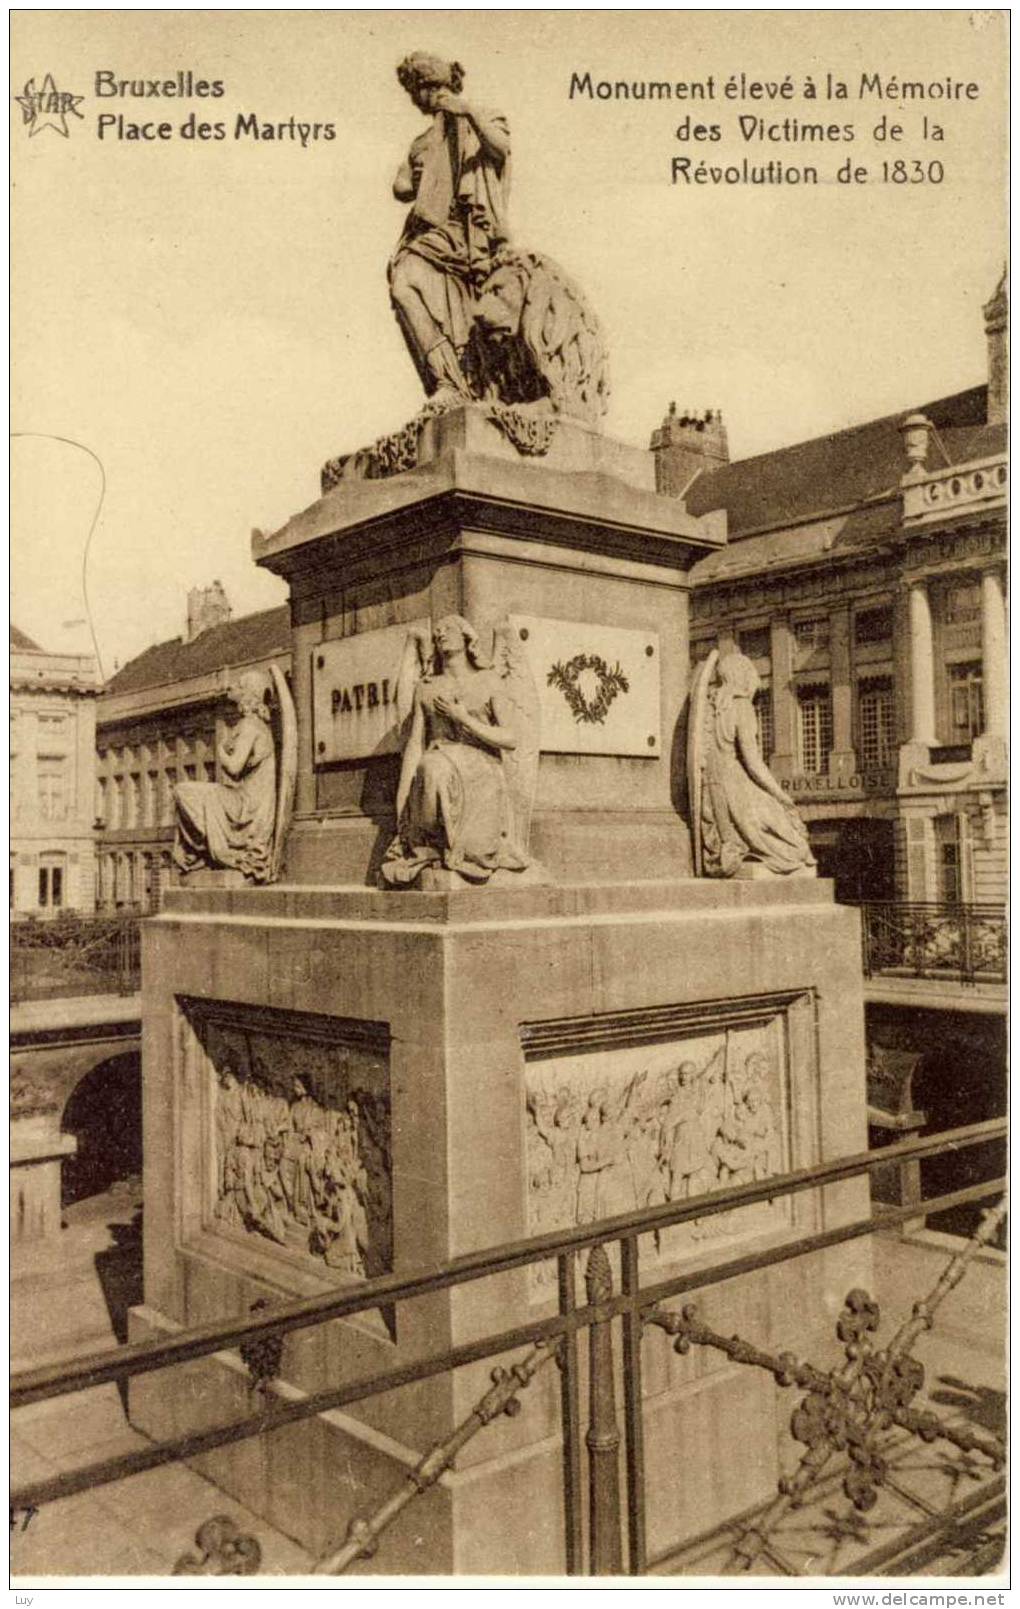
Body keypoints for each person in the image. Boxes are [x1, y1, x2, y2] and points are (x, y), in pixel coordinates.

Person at [389, 52, 511, 402]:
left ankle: (453, 381)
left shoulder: (479, 115)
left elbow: (501, 148)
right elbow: (401, 188)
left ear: (427, 88)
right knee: (409, 290)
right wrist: (415, 176)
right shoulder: (422, 141)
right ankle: (447, 380)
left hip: (466, 231)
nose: (416, 101)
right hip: (427, 232)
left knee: (406, 285)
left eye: (416, 91)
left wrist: (467, 112)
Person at [381, 616, 527, 886]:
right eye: (437, 633)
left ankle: (466, 848)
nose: (440, 634)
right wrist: (403, 801)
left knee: (435, 767)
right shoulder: (427, 687)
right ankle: (433, 845)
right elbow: (415, 744)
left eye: (448, 629)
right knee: (431, 766)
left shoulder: (489, 680)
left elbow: (511, 738)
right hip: (439, 760)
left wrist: (464, 719)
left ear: (467, 637)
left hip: (482, 768)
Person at [700, 652, 816, 879]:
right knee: (796, 847)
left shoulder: (709, 706)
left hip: (711, 790)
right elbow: (753, 763)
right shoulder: (741, 706)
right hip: (735, 784)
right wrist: (780, 794)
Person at [173, 670, 276, 882]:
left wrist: (219, 750)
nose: (233, 690)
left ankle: (211, 852)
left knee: (186, 791)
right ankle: (205, 850)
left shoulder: (250, 726)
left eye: (238, 686)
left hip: (248, 807)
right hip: (249, 801)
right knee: (187, 791)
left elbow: (234, 768)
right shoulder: (259, 727)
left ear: (248, 694)